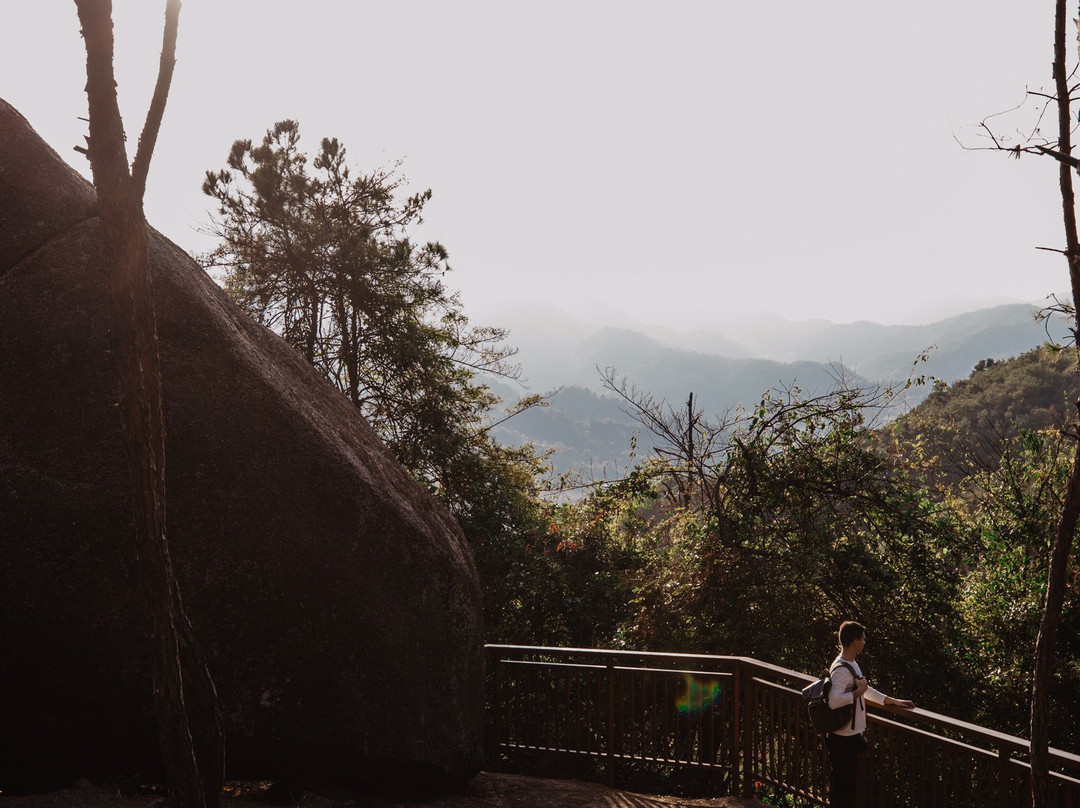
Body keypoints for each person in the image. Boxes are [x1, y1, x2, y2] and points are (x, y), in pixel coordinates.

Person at [826, 620, 915, 808]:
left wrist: (890, 700)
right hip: (843, 739)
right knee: (843, 790)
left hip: (847, 736)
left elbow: (865, 688)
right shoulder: (842, 669)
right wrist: (857, 693)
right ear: (855, 642)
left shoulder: (850, 663)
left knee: (846, 788)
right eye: (863, 639)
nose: (865, 642)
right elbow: (834, 701)